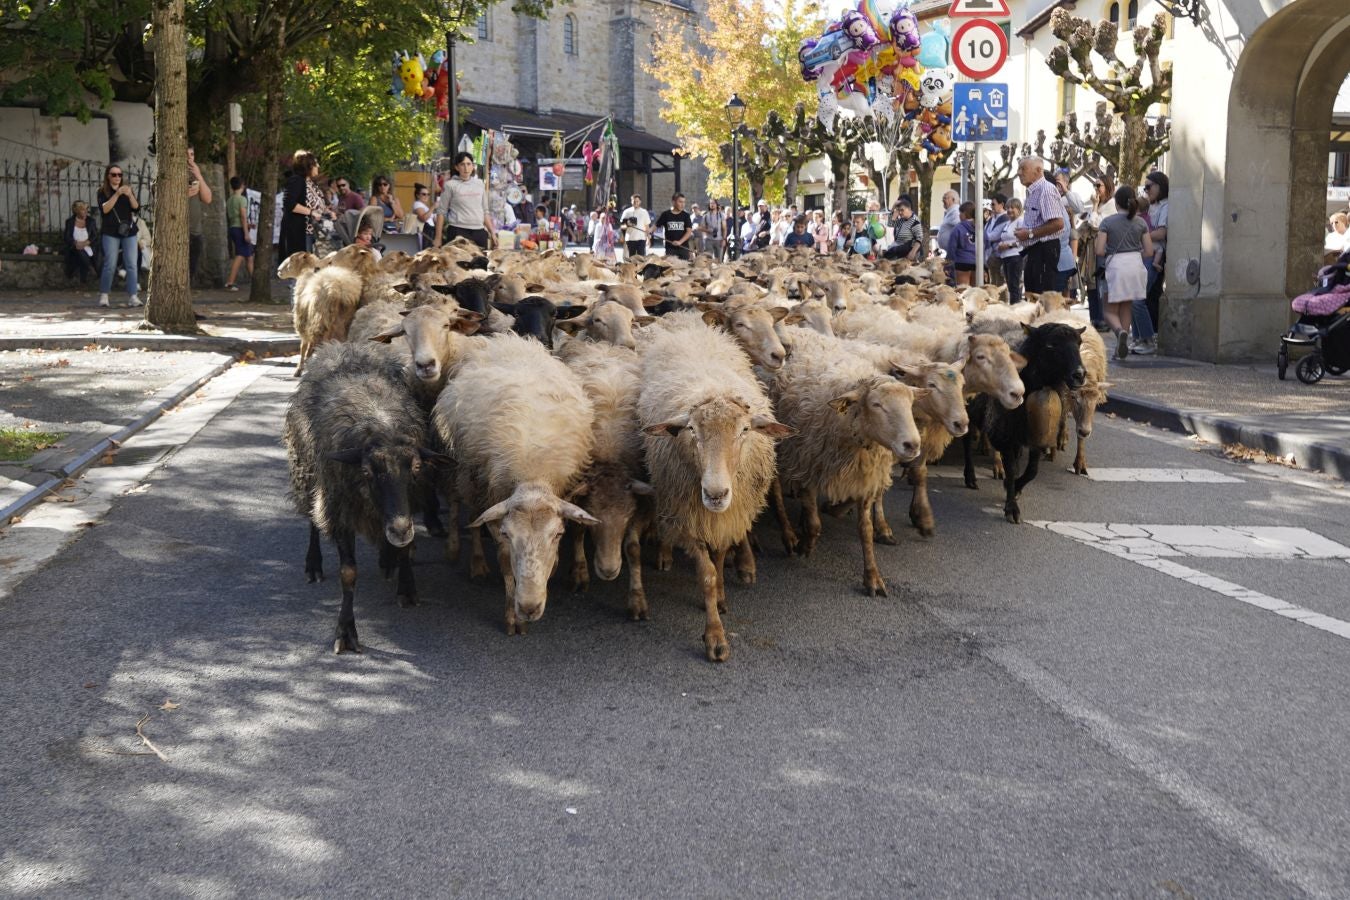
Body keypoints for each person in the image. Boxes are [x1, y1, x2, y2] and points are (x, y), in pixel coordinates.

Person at [1095, 186, 1155, 360]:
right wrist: (1134, 256)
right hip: (1136, 266)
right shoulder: (1141, 223)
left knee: (1109, 311)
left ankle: (1121, 332)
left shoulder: (1107, 222)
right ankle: (1123, 346)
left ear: (1116, 203)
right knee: (1126, 307)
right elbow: (1149, 251)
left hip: (1115, 268)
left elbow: (1099, 250)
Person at [1014, 156, 1067, 294]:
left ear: (1038, 170)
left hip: (1045, 250)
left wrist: (1029, 233)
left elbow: (1058, 223)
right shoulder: (1032, 191)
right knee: (1031, 295)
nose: (1019, 172)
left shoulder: (1046, 190)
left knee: (1042, 297)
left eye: (1023, 168)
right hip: (1035, 250)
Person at [96, 163, 141, 308]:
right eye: (114, 174)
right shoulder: (102, 191)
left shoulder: (128, 190)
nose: (117, 177)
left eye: (120, 175)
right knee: (110, 263)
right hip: (110, 232)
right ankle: (104, 295)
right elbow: (105, 210)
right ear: (108, 176)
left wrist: (129, 194)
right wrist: (117, 194)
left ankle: (133, 296)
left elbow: (136, 207)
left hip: (128, 231)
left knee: (132, 264)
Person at [433, 152, 496, 250]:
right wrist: (438, 238)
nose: (466, 168)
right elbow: (441, 212)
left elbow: (485, 211)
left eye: (468, 164)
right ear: (457, 167)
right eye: (462, 164)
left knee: (480, 264)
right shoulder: (450, 185)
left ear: (472, 166)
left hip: (479, 232)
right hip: (458, 232)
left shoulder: (479, 184)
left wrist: (492, 232)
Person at [1138, 171, 1169, 354]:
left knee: (1143, 298)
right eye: (1145, 187)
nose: (1146, 190)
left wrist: (1141, 236)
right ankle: (1143, 337)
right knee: (1145, 297)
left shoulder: (1165, 206)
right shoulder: (1150, 206)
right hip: (1145, 254)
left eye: (1149, 186)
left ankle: (1150, 338)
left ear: (1160, 186)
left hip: (1156, 254)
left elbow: (1161, 232)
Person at [280, 149, 327, 263]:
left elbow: (316, 203)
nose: (318, 166)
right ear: (308, 165)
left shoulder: (310, 183)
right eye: (315, 163)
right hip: (299, 233)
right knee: (301, 269)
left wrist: (327, 212)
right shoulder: (297, 180)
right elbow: (289, 203)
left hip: (311, 232)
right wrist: (311, 212)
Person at [186, 146, 213, 286]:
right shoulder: (172, 174)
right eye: (187, 154)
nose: (190, 157)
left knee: (191, 270)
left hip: (195, 231)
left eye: (192, 154)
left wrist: (199, 175)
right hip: (179, 231)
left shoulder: (195, 174)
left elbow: (208, 198)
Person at [224, 176, 254, 291]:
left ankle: (255, 280)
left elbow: (234, 216)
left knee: (249, 256)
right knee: (240, 255)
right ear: (242, 185)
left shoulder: (230, 200)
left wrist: (247, 225)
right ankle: (230, 282)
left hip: (233, 227)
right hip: (240, 229)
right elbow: (242, 216)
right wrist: (246, 232)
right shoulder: (242, 199)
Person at [994, 197, 1025, 304]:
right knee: (1010, 286)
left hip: (1015, 257)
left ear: (1019, 209)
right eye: (1008, 208)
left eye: (1012, 208)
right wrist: (1000, 245)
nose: (1009, 210)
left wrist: (1008, 245)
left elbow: (1023, 241)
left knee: (1014, 286)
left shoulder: (1020, 222)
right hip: (1005, 257)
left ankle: (1015, 308)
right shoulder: (1008, 223)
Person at [63, 201, 99, 285]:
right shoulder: (70, 222)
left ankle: (83, 280)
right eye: (83, 210)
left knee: (82, 253)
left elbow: (95, 236)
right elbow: (67, 237)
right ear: (77, 211)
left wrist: (86, 243)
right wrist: (75, 243)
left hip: (88, 246)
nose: (86, 212)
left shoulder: (91, 221)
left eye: (86, 209)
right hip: (75, 247)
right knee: (79, 250)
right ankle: (90, 268)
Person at [653, 192, 694, 260]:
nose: (682, 204)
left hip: (683, 248)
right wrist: (648, 232)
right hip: (670, 248)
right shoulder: (665, 214)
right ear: (673, 202)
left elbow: (689, 232)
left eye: (684, 202)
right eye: (680, 202)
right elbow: (655, 226)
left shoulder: (686, 215)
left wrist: (680, 242)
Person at [946, 201, 978, 286]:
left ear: (965, 213)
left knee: (963, 293)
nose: (959, 215)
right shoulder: (980, 228)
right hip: (977, 262)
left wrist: (948, 264)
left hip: (962, 263)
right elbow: (987, 244)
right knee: (976, 292)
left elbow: (951, 248)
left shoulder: (958, 228)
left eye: (960, 213)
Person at [619, 194, 650, 260]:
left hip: (641, 239)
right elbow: (622, 226)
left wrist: (648, 238)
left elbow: (647, 227)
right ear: (631, 201)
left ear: (640, 202)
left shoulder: (644, 212)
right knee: (631, 258)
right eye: (634, 201)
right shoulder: (626, 212)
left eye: (637, 201)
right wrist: (628, 224)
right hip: (630, 239)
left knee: (641, 259)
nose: (635, 203)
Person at [936, 190, 960, 256]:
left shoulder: (956, 211)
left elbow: (960, 227)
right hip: (948, 252)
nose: (942, 200)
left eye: (945, 198)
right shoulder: (950, 211)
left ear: (953, 199)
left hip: (954, 252)